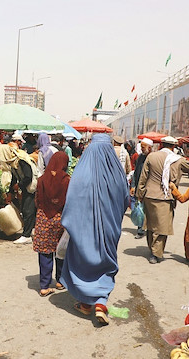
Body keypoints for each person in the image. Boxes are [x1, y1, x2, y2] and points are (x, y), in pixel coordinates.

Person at [60, 134, 130, 325]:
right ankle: (100, 303)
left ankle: (85, 304)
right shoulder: (117, 173)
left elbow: (71, 199)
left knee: (84, 261)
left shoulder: (81, 173)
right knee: (105, 262)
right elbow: (126, 200)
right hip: (110, 228)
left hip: (83, 228)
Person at [136, 136, 189, 264]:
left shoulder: (152, 156)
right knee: (161, 227)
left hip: (150, 195)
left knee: (150, 224)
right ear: (173, 146)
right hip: (166, 196)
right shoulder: (177, 159)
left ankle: (152, 248)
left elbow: (143, 176)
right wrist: (180, 155)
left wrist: (139, 193)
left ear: (161, 145)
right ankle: (156, 254)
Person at [33, 152, 70, 297]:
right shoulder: (67, 180)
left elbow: (37, 200)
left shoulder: (42, 179)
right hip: (61, 219)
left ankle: (44, 286)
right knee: (61, 250)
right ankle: (60, 281)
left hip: (44, 218)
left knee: (45, 251)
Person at [0, 143, 38, 244]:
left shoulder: (21, 160)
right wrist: (10, 192)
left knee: (28, 211)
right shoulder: (12, 162)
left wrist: (19, 186)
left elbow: (28, 176)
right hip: (26, 187)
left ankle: (27, 235)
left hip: (32, 187)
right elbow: (14, 178)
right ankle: (29, 232)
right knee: (27, 210)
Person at [130, 138, 153, 239]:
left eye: (144, 147)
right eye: (141, 147)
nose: (142, 149)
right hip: (139, 188)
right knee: (139, 208)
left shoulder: (153, 158)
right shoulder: (140, 158)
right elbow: (136, 173)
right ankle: (140, 230)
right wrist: (133, 186)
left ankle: (148, 230)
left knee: (148, 210)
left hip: (149, 189)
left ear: (150, 147)